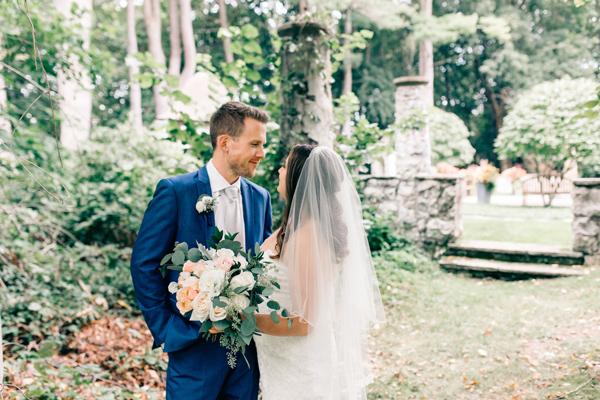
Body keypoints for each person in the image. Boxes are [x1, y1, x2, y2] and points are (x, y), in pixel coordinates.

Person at [130, 101, 272, 400]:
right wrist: (168, 328)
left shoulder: (261, 198)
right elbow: (144, 264)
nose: (261, 153)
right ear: (225, 143)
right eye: (255, 144)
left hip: (247, 351)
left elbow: (266, 265)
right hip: (193, 346)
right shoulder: (177, 191)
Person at [255, 144, 385, 400]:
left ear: (298, 178)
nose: (280, 170)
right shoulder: (294, 227)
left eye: (285, 166)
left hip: (299, 367)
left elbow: (306, 322)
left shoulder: (307, 236)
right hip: (278, 360)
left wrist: (246, 321)